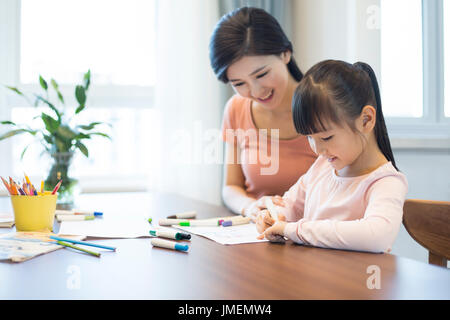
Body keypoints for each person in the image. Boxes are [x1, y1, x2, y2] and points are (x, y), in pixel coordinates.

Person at [256, 60, 408, 253]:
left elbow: (377, 236)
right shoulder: (323, 166)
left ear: (366, 120)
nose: (317, 149)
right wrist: (274, 217)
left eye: (326, 137)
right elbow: (290, 204)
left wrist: (295, 230)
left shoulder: (385, 182)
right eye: (310, 137)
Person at [209, 7, 317, 218]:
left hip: (316, 236)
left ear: (285, 53)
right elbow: (231, 187)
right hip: (256, 236)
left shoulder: (325, 105)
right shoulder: (236, 108)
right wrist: (251, 207)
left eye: (261, 74)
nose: (256, 91)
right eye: (239, 83)